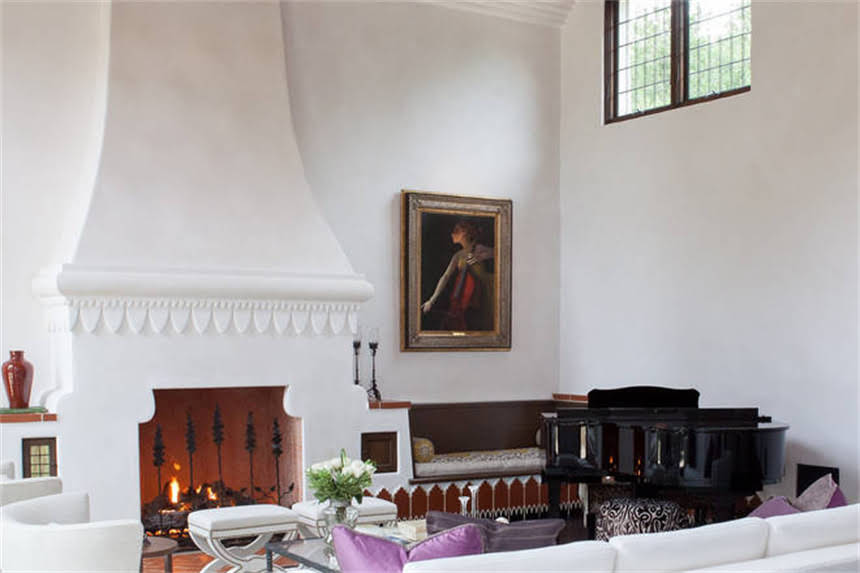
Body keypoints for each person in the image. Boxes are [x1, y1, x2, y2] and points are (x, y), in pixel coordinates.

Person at [421, 220, 494, 331]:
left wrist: (481, 256)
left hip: (486, 289)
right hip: (473, 295)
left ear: (464, 233)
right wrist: (432, 300)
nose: (452, 234)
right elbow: (445, 276)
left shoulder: (479, 248)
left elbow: (498, 252)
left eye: (456, 231)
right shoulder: (458, 255)